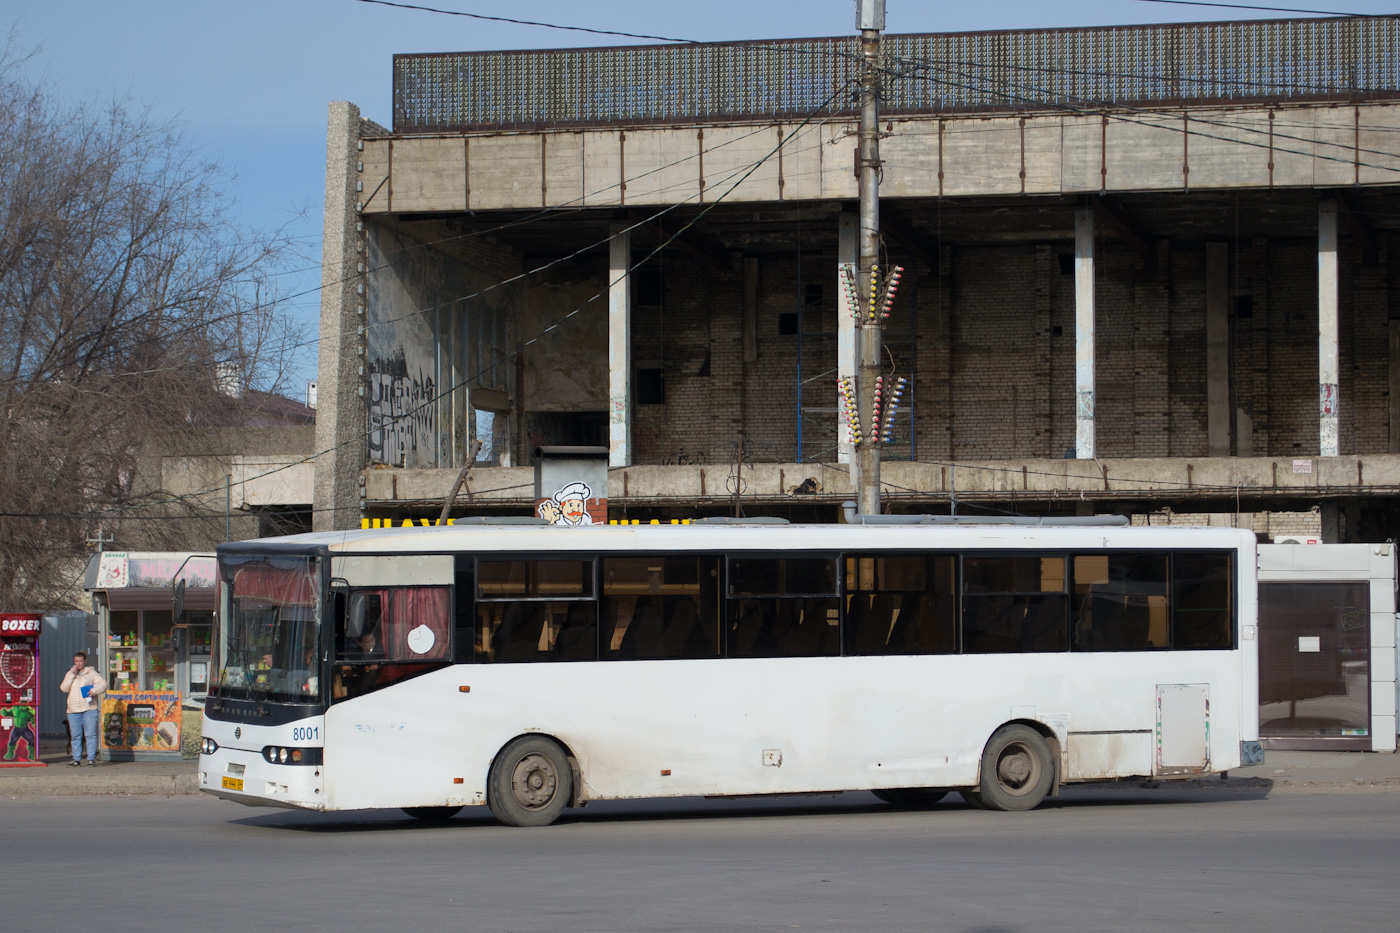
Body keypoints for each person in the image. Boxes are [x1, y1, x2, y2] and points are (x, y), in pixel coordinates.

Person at [59, 651, 106, 766]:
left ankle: (91, 758)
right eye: (76, 661)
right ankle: (76, 759)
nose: (78, 664)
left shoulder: (91, 673)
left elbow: (103, 684)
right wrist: (71, 675)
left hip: (89, 708)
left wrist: (94, 691)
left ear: (85, 661)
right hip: (73, 709)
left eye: (80, 661)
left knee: (90, 734)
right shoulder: (70, 673)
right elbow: (64, 688)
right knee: (75, 735)